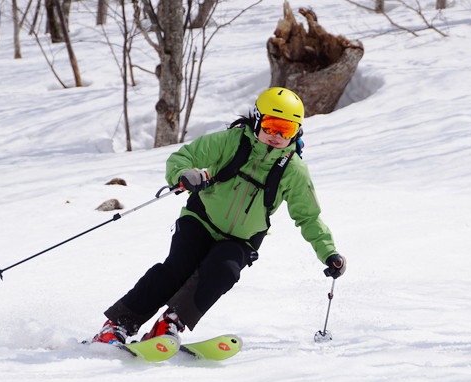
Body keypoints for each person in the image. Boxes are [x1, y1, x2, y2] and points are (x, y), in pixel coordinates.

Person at [91, 87, 346, 344]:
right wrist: (184, 175)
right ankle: (117, 325)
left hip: (241, 240)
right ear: (257, 120)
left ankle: (170, 325)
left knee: (223, 271)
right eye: (270, 126)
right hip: (200, 220)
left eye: (286, 129)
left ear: (297, 131)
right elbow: (184, 156)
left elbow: (309, 217)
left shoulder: (293, 170)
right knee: (177, 268)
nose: (276, 135)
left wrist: (329, 252)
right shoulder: (231, 142)